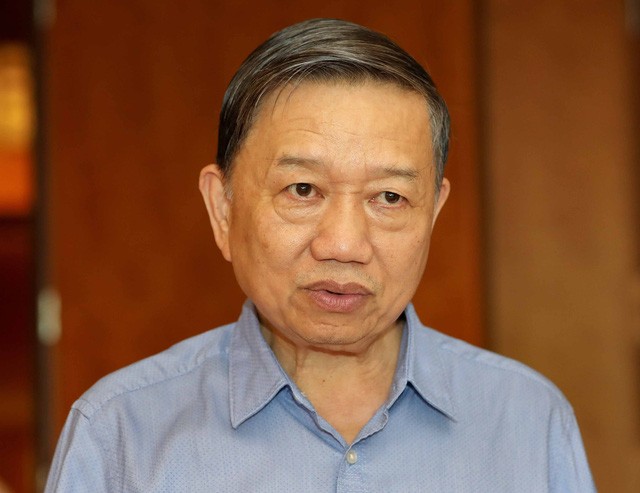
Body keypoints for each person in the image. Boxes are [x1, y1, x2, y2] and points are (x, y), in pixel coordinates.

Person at [45, 18, 595, 492]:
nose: (344, 245)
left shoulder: (528, 421)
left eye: (389, 197)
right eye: (303, 190)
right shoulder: (121, 434)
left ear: (432, 213)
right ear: (223, 208)